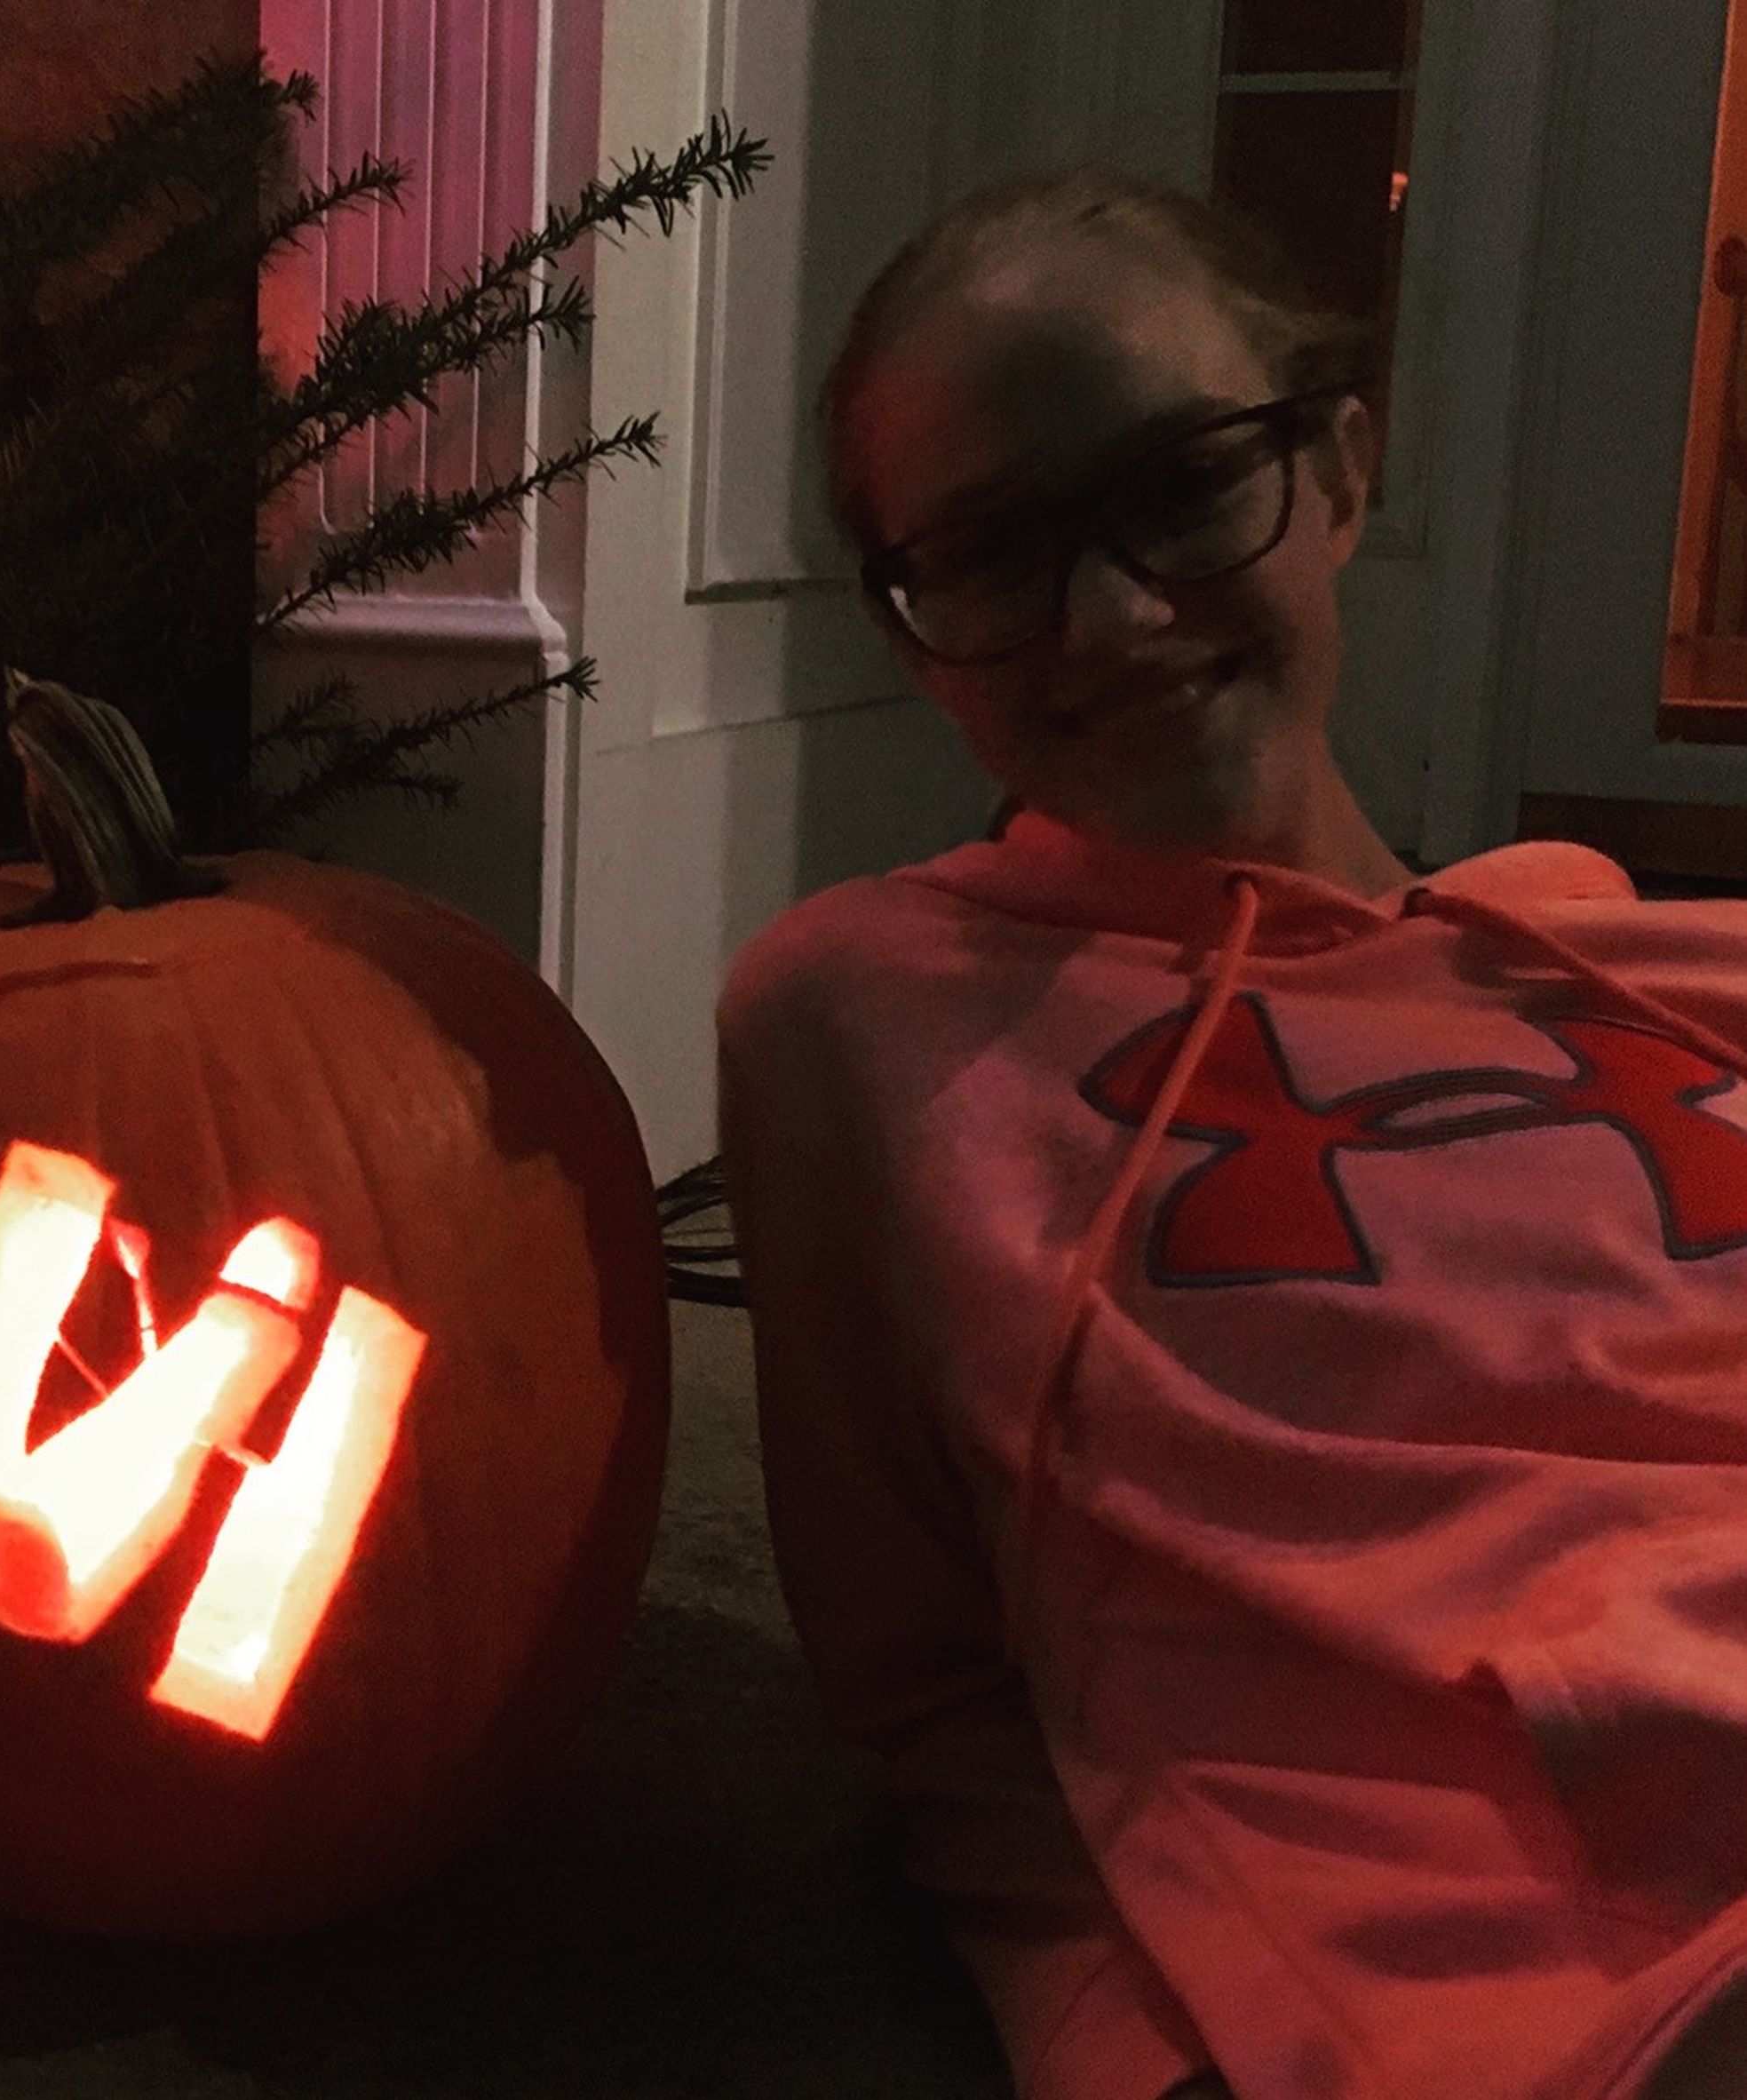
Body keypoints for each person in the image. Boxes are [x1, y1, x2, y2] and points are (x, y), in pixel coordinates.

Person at [713, 163, 1747, 2100]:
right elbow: (930, 1692)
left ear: (1337, 472)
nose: (1110, 616)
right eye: (993, 553)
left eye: (1182, 486)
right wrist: (1107, 2042)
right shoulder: (869, 1017)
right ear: (914, 635)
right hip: (1558, 1942)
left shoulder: (1676, 964)